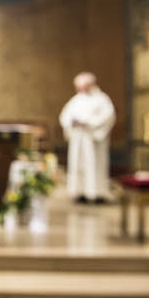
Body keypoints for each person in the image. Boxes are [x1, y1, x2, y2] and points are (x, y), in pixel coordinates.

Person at [59, 72, 116, 204]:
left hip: (93, 140)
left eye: (82, 86)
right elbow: (65, 116)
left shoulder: (102, 99)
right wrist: (71, 123)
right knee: (78, 166)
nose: (80, 90)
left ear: (91, 84)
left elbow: (108, 117)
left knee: (94, 166)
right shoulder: (76, 99)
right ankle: (80, 192)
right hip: (78, 139)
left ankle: (97, 193)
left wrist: (89, 123)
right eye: (78, 87)